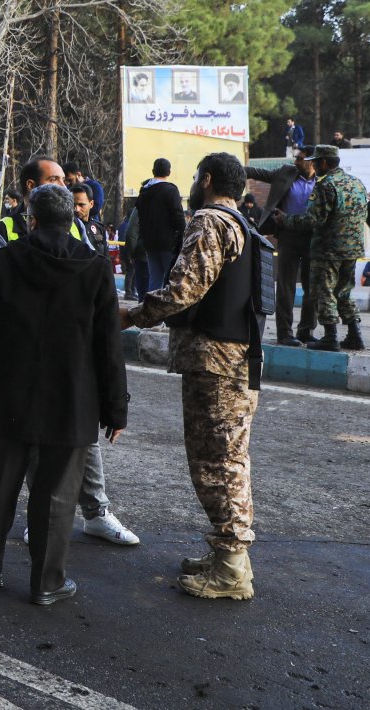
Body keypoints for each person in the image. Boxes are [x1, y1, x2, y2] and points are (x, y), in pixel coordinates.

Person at [0, 183, 127, 606]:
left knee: (0, 485)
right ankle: (47, 583)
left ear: (31, 220)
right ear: (72, 220)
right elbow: (108, 345)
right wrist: (116, 408)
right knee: (56, 497)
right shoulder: (95, 268)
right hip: (72, 403)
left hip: (11, 397)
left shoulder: (3, 263)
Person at [123, 152, 266, 600]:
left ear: (206, 180)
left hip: (215, 363)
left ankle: (231, 569)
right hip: (238, 358)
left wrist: (133, 315)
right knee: (228, 458)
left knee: (216, 463)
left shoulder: (209, 221)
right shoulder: (242, 223)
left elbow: (185, 290)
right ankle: (229, 555)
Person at [0, 156, 139, 547]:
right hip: (23, 366)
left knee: (82, 443)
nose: (66, 186)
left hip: (71, 365)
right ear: (31, 188)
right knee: (33, 446)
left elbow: (95, 302)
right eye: (55, 180)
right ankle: (41, 522)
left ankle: (96, 512)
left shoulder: (78, 230)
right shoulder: (3, 233)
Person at [281, 145, 369, 352]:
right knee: (345, 291)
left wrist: (286, 220)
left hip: (328, 249)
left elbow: (313, 219)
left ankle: (331, 336)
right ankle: (354, 335)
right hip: (353, 248)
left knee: (324, 291)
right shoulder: (357, 183)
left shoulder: (325, 185)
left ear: (323, 163)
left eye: (315, 161)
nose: (312, 165)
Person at [247, 147, 318, 345]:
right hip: (287, 236)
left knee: (312, 287)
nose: (296, 161)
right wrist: (235, 167)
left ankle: (306, 330)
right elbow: (258, 173)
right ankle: (285, 333)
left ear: (312, 162)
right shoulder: (287, 172)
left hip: (313, 238)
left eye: (300, 159)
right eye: (295, 158)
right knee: (286, 286)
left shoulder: (324, 180)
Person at [136, 158, 186, 292]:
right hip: (168, 244)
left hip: (149, 243)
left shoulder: (144, 192)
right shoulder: (171, 190)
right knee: (171, 280)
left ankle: (151, 309)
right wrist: (184, 235)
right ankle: (167, 311)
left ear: (153, 171)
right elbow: (179, 217)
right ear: (169, 172)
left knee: (154, 279)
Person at [72, 185, 107, 254]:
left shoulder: (99, 227)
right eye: (73, 204)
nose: (76, 209)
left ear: (91, 204)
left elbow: (106, 256)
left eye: (81, 205)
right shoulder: (66, 228)